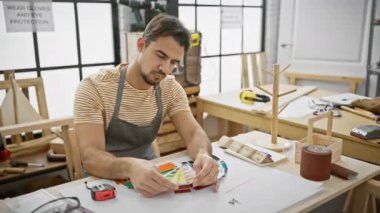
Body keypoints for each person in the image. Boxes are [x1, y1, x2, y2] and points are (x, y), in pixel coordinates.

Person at [73, 14, 219, 197]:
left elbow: (193, 133)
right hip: (104, 184)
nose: (165, 69)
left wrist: (203, 154)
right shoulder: (94, 88)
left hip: (153, 177)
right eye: (160, 55)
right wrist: (131, 166)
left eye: (173, 62)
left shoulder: (170, 88)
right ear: (141, 45)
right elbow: (90, 156)